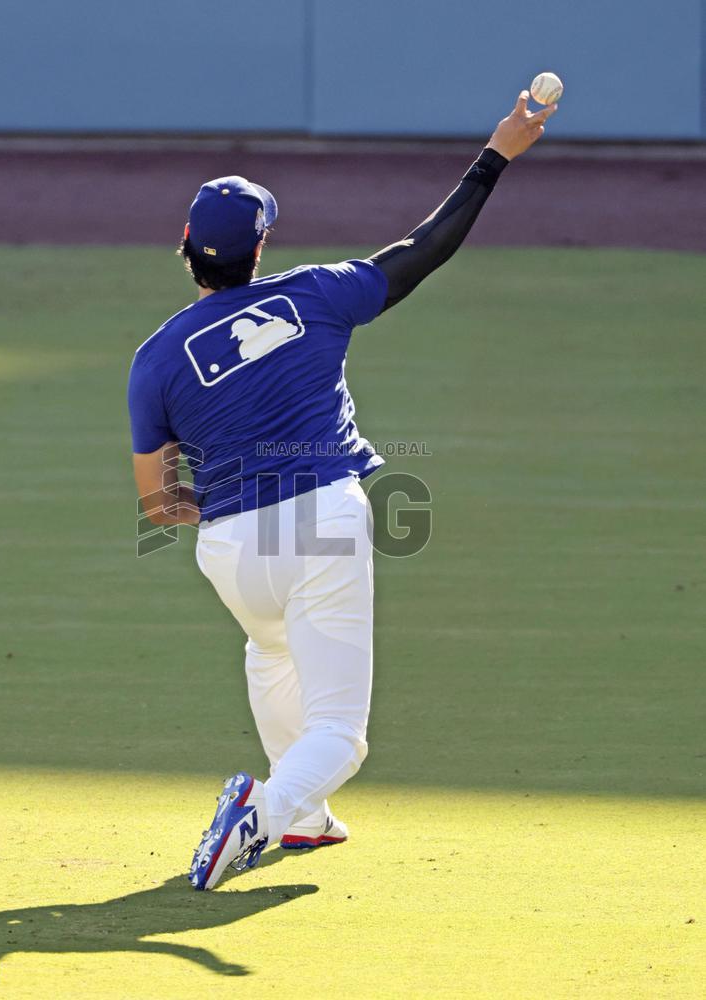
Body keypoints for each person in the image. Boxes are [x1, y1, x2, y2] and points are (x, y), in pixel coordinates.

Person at [128, 90, 557, 890]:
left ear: (186, 246)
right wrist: (494, 154)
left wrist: (201, 507)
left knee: (270, 650)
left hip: (226, 549)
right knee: (341, 733)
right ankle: (259, 813)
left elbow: (156, 498)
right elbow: (425, 248)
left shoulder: (154, 357)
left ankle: (305, 818)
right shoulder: (315, 294)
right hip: (321, 520)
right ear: (259, 250)